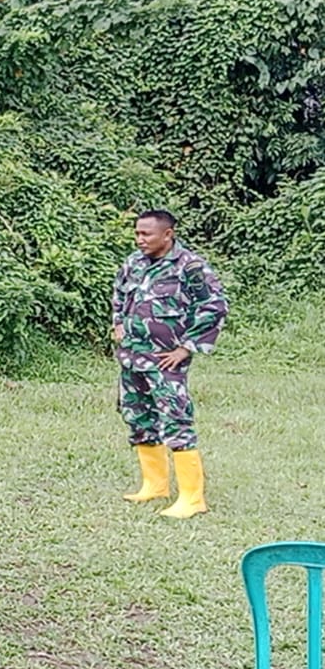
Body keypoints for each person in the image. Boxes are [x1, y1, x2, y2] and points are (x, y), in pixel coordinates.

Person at [112, 209, 227, 518]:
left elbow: (214, 305)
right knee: (138, 418)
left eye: (145, 234)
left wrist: (187, 347)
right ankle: (155, 485)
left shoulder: (190, 266)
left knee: (176, 420)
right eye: (137, 233)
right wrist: (118, 324)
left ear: (168, 234)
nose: (139, 239)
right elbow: (120, 295)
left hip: (165, 361)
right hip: (132, 357)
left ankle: (192, 498)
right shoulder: (133, 263)